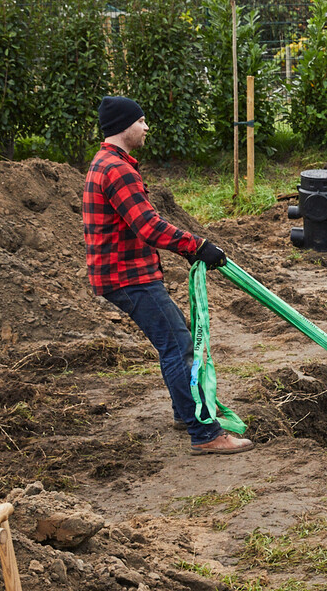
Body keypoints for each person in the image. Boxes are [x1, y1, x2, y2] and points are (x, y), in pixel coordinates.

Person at [84, 96, 254, 455]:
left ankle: (184, 413)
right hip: (128, 275)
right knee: (179, 347)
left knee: (176, 342)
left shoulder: (107, 163)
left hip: (125, 273)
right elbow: (148, 226)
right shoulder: (116, 169)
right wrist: (197, 246)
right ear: (124, 126)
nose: (146, 128)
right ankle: (205, 433)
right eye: (141, 121)